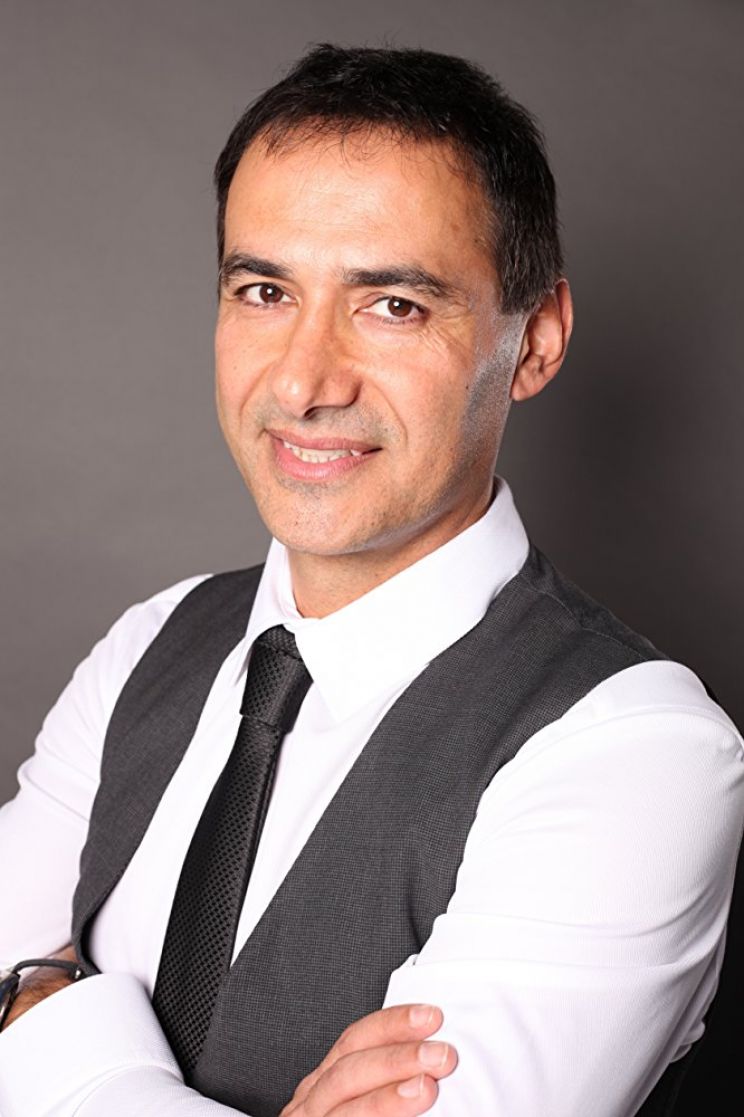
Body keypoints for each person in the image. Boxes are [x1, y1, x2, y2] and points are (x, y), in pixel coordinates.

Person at [0, 43, 742, 1117]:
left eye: (393, 304)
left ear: (536, 340)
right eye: (265, 290)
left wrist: (46, 1026)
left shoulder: (637, 748)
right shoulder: (148, 645)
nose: (304, 381)